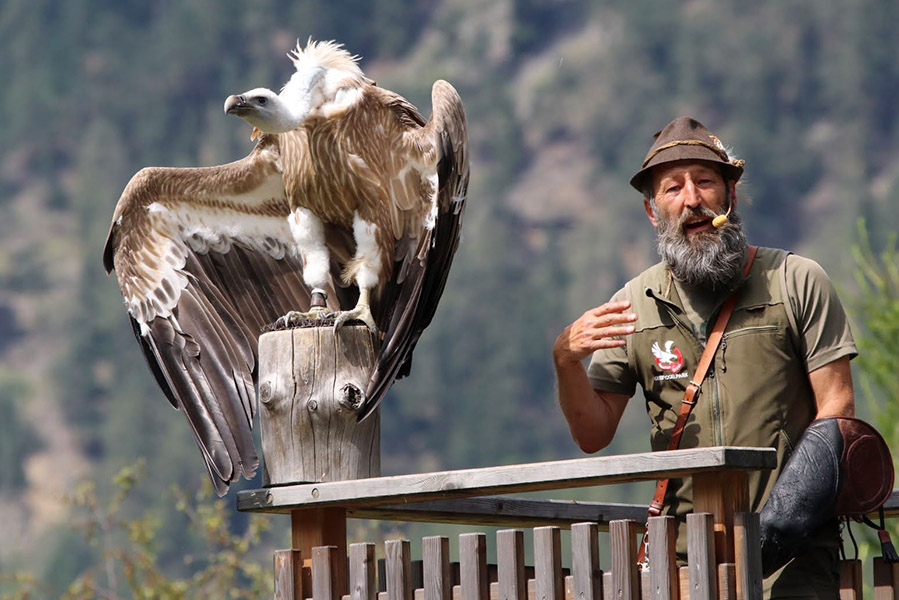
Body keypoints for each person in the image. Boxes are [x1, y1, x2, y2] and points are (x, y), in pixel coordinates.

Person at [552, 117, 857, 600]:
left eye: (706, 181)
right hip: (684, 567)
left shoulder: (796, 280)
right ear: (653, 212)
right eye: (673, 188)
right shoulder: (631, 307)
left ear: (729, 196)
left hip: (794, 562)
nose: (691, 198)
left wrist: (780, 530)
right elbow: (593, 434)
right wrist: (565, 360)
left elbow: (837, 411)